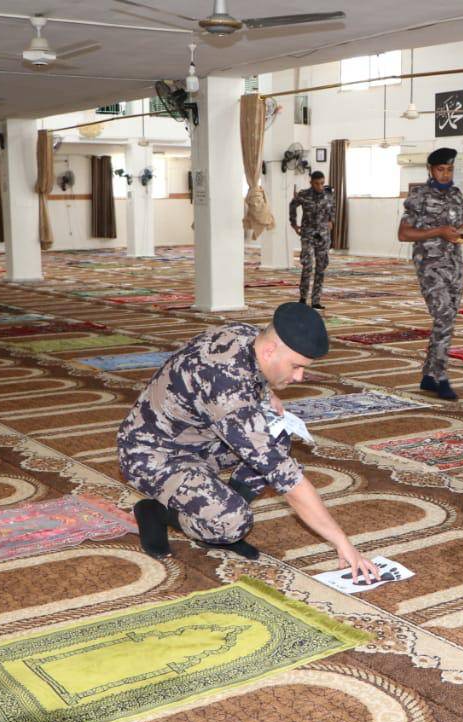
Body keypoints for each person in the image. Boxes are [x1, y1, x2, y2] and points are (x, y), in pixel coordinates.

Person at [117, 302, 380, 581]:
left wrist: (267, 393)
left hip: (197, 438)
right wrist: (343, 543)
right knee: (232, 521)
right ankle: (164, 513)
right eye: (296, 366)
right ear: (270, 351)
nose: (299, 377)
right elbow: (287, 479)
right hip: (150, 454)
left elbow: (243, 373)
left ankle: (210, 509)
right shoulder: (228, 393)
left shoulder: (247, 336)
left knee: (276, 435)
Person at [398, 147, 463, 401]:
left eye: (449, 169)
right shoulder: (419, 196)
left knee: (447, 319)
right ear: (430, 170)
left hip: (454, 264)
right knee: (444, 315)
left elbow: (459, 225)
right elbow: (403, 234)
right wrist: (438, 231)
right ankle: (441, 377)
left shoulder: (456, 195)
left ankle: (428, 375)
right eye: (440, 169)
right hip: (429, 264)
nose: (445, 174)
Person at [288, 171, 335, 309]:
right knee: (307, 265)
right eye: (317, 183)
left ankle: (316, 301)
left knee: (321, 267)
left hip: (323, 235)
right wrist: (293, 223)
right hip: (308, 234)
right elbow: (292, 205)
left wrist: (331, 220)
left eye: (322, 183)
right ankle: (303, 298)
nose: (320, 186)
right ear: (311, 183)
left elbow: (332, 208)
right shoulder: (304, 194)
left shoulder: (328, 195)